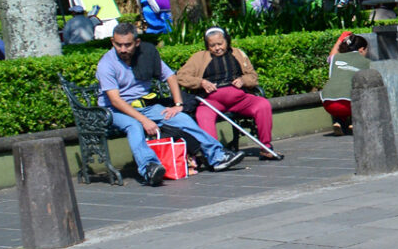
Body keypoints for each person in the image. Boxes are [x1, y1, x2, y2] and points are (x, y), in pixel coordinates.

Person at [95, 20, 239, 185]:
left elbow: (170, 76)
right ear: (113, 42)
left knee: (183, 119)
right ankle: (149, 167)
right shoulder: (106, 64)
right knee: (133, 126)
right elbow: (115, 100)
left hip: (145, 107)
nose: (123, 49)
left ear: (137, 42)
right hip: (114, 111)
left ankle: (217, 156)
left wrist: (178, 105)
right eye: (118, 45)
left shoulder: (146, 54)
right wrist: (144, 121)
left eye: (127, 45)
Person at [178, 26, 283, 160]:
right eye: (212, 45)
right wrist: (201, 82)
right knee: (203, 115)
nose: (217, 48)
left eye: (220, 44)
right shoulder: (199, 57)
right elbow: (181, 76)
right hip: (212, 101)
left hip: (240, 99)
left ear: (227, 41)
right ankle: (215, 155)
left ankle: (266, 147)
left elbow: (252, 76)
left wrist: (243, 80)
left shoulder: (238, 54)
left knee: (263, 105)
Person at [318, 31, 373, 134]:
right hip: (349, 105)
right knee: (361, 91)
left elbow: (332, 54)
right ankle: (354, 122)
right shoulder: (367, 63)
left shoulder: (335, 58)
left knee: (339, 91)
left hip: (328, 103)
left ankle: (338, 122)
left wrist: (341, 38)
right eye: (366, 50)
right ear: (361, 50)